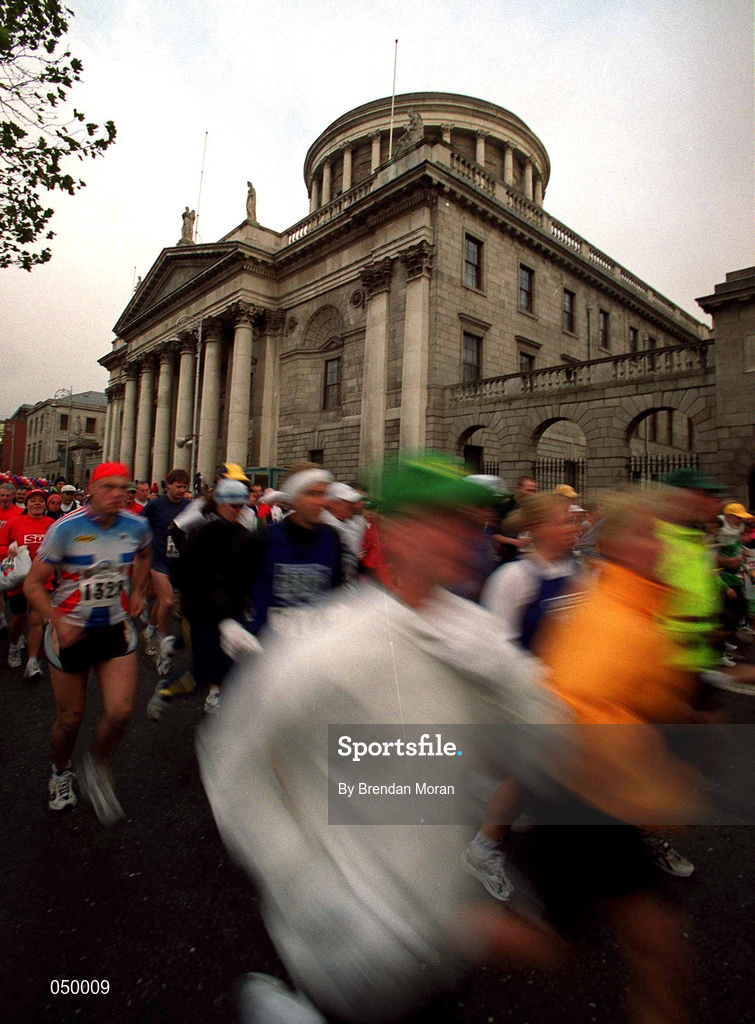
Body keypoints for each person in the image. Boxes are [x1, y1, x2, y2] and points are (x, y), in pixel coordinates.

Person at [198, 453, 567, 1024]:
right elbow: (233, 760)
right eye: (440, 522)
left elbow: (546, 731)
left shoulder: (478, 637)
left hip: (438, 923)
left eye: (470, 523)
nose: (462, 539)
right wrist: (309, 890)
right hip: (351, 949)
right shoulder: (329, 645)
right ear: (393, 533)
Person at [531, 487, 703, 1024]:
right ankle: (428, 934)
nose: (661, 548)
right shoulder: (609, 612)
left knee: (651, 949)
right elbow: (576, 703)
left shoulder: (640, 602)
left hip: (599, 805)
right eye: (649, 535)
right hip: (582, 805)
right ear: (622, 544)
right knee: (567, 947)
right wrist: (647, 776)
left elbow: (651, 693)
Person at [463, 493, 582, 899]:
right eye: (565, 520)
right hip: (529, 699)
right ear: (538, 529)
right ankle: (483, 846)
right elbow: (495, 650)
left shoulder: (579, 571)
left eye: (574, 520)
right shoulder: (514, 579)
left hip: (572, 699)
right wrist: (537, 685)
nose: (575, 527)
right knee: (528, 776)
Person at [24, 462, 151, 822]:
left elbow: (144, 555)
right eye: (108, 487)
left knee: (121, 711)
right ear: (91, 490)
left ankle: (95, 763)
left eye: (123, 487)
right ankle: (60, 770)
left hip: (114, 629)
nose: (117, 494)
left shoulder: (136, 525)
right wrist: (56, 619)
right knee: (70, 719)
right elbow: (34, 584)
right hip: (71, 632)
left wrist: (138, 590)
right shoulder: (65, 529)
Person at [170, 478, 258, 716]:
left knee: (230, 661)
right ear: (219, 504)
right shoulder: (203, 534)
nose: (239, 511)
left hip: (232, 607)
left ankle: (218, 697)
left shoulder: (245, 535)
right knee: (203, 666)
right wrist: (189, 602)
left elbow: (251, 572)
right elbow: (182, 571)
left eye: (242, 506)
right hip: (204, 608)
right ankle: (168, 692)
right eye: (233, 506)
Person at [0, 488, 54, 678]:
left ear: (45, 504)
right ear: (27, 504)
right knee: (18, 619)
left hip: (43, 580)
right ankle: (14, 645)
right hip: (19, 579)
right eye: (33, 501)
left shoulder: (52, 525)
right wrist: (7, 551)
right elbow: (1, 544)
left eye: (41, 500)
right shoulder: (15, 523)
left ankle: (32, 661)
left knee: (36, 619)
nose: (37, 503)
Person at [142, 468, 190, 675]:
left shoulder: (189, 506)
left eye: (184, 487)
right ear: (168, 485)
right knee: (168, 602)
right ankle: (163, 647)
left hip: (179, 562)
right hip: (158, 560)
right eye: (178, 486)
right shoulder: (155, 506)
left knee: (163, 602)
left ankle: (150, 630)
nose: (181, 490)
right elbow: (141, 529)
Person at [497, 475, 538, 564]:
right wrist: (515, 542)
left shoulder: (536, 508)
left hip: (532, 559)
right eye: (528, 490)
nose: (532, 494)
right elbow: (492, 534)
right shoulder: (506, 507)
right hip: (509, 558)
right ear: (518, 488)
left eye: (534, 491)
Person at [0, 482, 21, 637]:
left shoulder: (19, 513)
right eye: (2, 495)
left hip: (11, 558)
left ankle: (17, 630)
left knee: (12, 593)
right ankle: (2, 619)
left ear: (13, 496)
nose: (4, 498)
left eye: (7, 495)